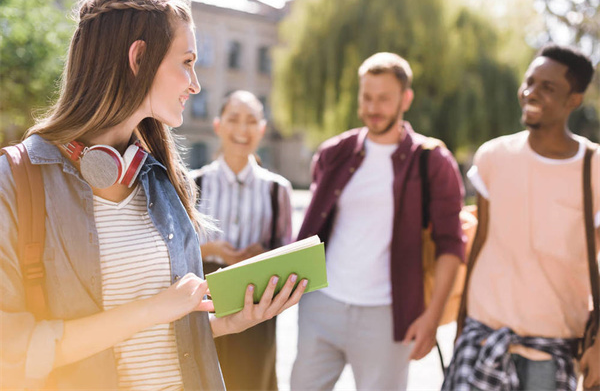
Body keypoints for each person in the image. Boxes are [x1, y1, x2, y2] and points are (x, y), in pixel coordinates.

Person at [0, 0, 306, 389]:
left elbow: (159, 336)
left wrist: (222, 324)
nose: (195, 84)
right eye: (187, 63)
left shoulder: (160, 177)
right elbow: (12, 350)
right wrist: (152, 310)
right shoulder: (16, 179)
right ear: (139, 58)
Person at [290, 52, 466, 390]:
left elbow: (451, 245)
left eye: (384, 98)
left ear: (406, 99)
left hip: (387, 316)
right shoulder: (333, 153)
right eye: (367, 97)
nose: (373, 107)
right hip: (321, 305)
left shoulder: (432, 161)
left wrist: (431, 318)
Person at [442, 44, 600, 391]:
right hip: (482, 339)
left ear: (574, 99)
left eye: (548, 87)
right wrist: (461, 326)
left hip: (553, 348)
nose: (531, 92)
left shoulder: (595, 168)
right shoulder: (493, 157)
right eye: (529, 82)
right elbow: (480, 243)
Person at [190, 90, 293, 390]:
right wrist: (210, 249)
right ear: (218, 125)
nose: (242, 130)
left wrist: (262, 256)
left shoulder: (278, 190)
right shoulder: (193, 183)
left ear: (262, 129)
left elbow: (288, 253)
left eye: (251, 121)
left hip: (258, 306)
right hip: (203, 302)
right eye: (234, 119)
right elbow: (173, 251)